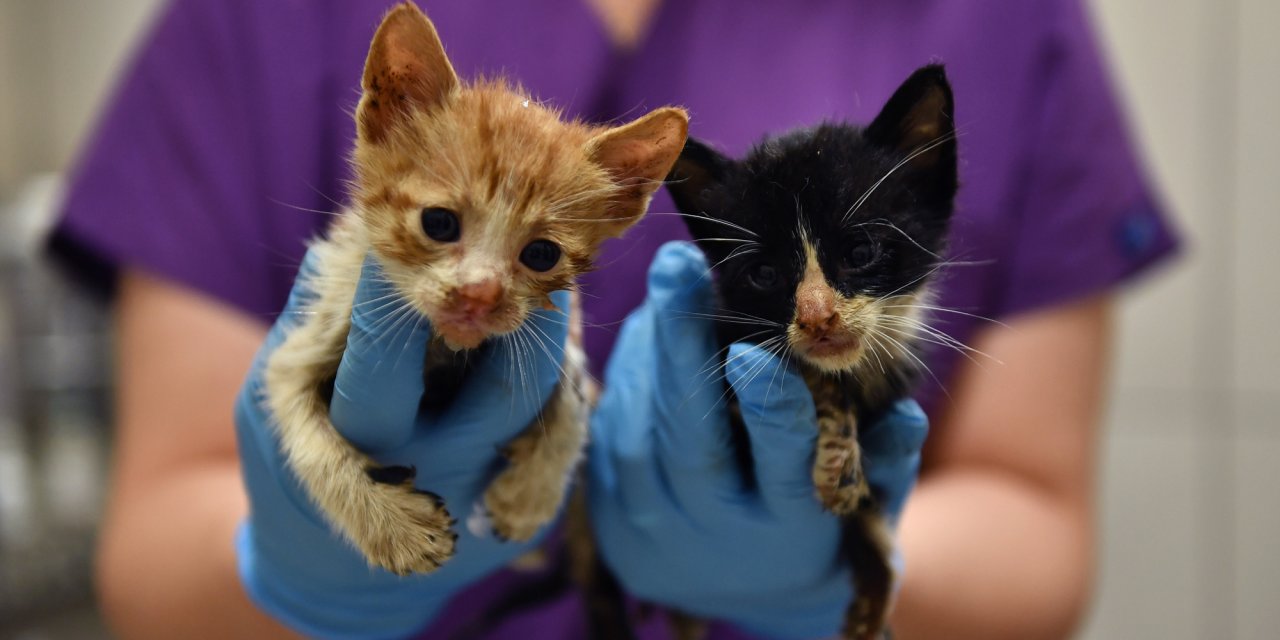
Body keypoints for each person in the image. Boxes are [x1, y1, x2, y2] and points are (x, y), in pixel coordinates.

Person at [52, 0, 1178, 638]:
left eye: (540, 255)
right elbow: (153, 547)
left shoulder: (1003, 21)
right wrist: (287, 564)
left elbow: (1034, 514)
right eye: (447, 227)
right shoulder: (254, 24)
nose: (489, 287)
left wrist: (834, 568)